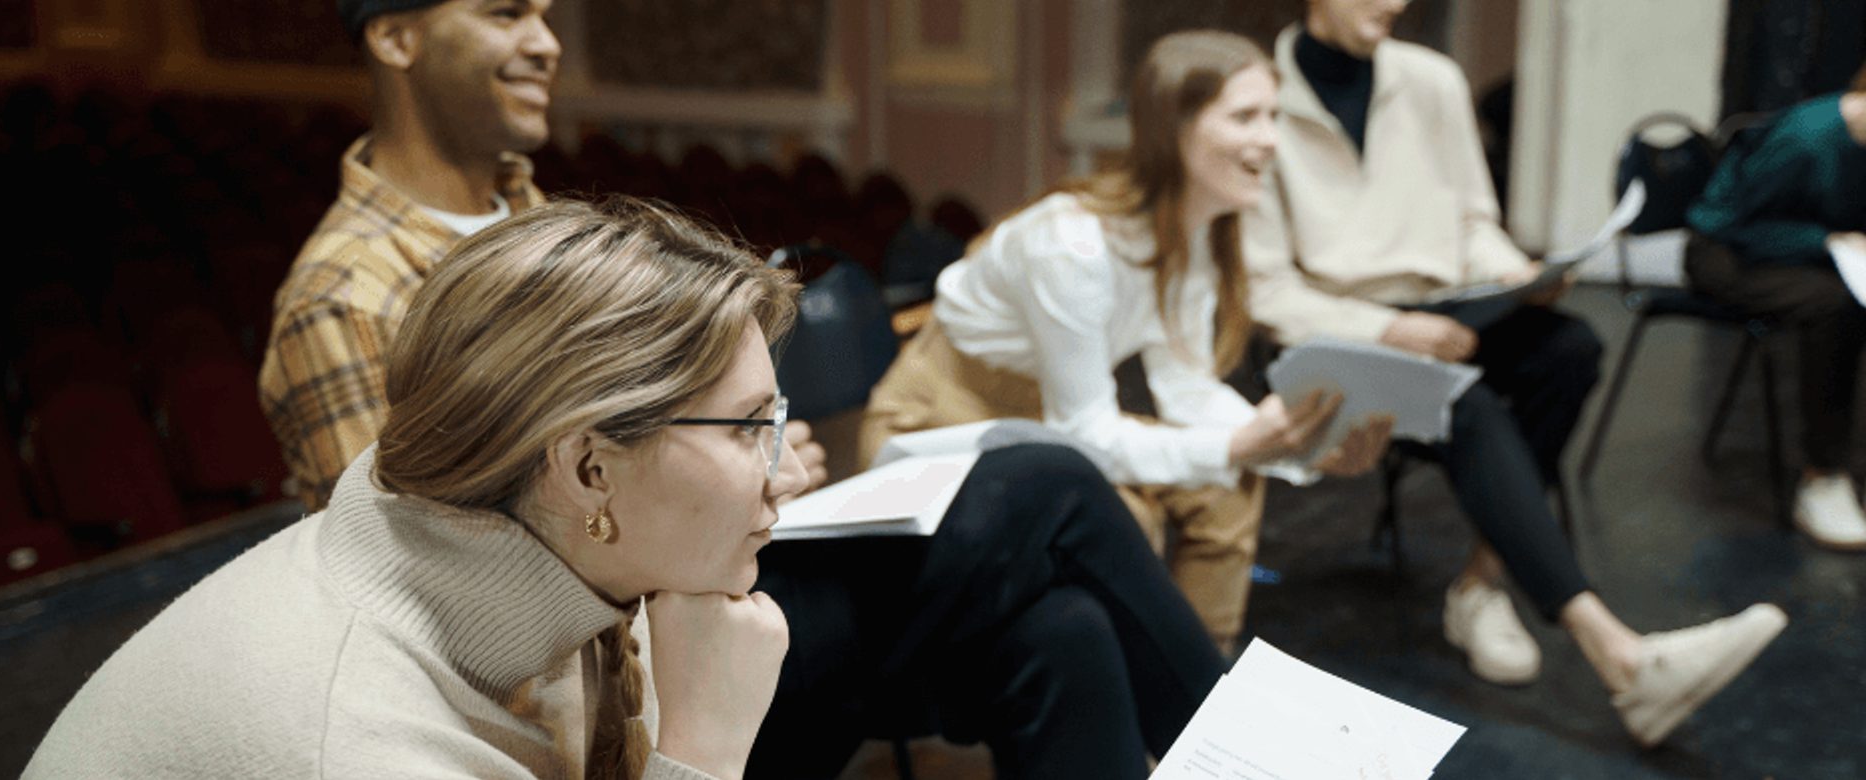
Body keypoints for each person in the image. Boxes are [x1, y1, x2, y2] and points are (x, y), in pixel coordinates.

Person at [260, 2, 1233, 776]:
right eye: (509, 14)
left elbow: (642, 445)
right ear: (396, 36)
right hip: (636, 659)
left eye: (550, 16)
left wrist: (743, 459)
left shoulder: (539, 220)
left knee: (1061, 630)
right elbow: (428, 598)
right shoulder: (344, 298)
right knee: (1044, 483)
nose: (548, 43)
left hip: (702, 566)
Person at [28, 198, 802, 779]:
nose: (787, 472)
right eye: (746, 428)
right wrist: (703, 749)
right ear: (588, 469)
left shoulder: (555, 556)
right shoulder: (355, 736)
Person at [1238, 0, 1788, 746]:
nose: (1397, 4)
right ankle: (1620, 657)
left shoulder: (1430, 81)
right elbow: (1268, 291)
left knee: (1569, 350)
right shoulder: (1260, 102)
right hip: (1342, 335)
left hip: (1450, 307)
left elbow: (1471, 222)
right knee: (1468, 406)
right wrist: (1391, 328)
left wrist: (1520, 273)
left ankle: (1480, 581)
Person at [860, 30, 1397, 654]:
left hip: (1042, 417)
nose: (1271, 141)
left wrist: (1293, 446)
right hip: (940, 418)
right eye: (1246, 116)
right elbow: (1085, 432)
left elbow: (1185, 387)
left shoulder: (1196, 234)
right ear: (1174, 126)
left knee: (1229, 484)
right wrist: (1240, 444)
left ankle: (1196, 695)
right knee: (1126, 519)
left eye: (1274, 117)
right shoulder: (1073, 245)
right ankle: (1121, 704)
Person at [1685, 62, 1866, 551]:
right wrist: (1827, 240)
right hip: (1725, 251)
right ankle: (1822, 474)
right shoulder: (1808, 140)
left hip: (1808, 251)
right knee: (1835, 307)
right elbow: (1735, 226)